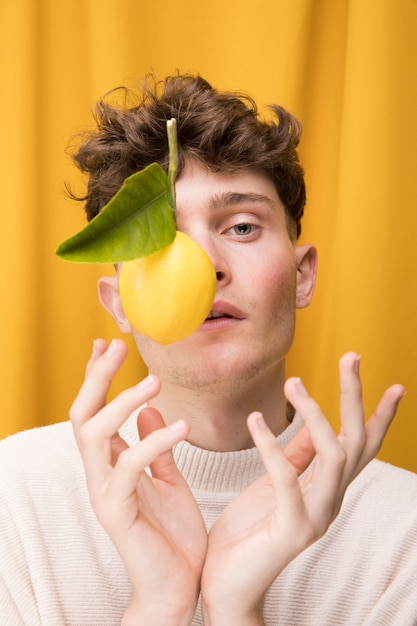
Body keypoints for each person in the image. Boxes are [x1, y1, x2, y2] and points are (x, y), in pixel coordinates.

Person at [1, 73, 417, 626]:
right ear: (119, 302)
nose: (206, 266)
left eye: (242, 227)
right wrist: (158, 607)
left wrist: (233, 608)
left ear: (303, 275)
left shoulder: (402, 529)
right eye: (160, 240)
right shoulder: (14, 497)